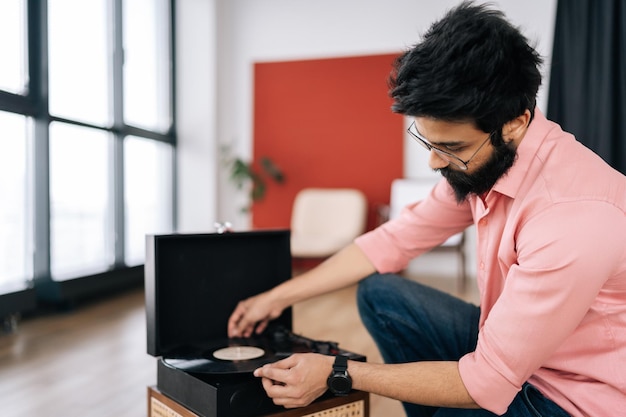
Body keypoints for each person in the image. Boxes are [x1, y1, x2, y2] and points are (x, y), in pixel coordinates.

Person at [227, 2, 626, 416]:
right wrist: (277, 296)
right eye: (428, 142)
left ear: (515, 123)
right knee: (381, 293)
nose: (435, 162)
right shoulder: (486, 163)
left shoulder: (574, 218)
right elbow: (393, 239)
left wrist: (338, 372)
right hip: (523, 352)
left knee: (465, 396)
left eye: (451, 148)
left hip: (572, 396)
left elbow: (486, 381)